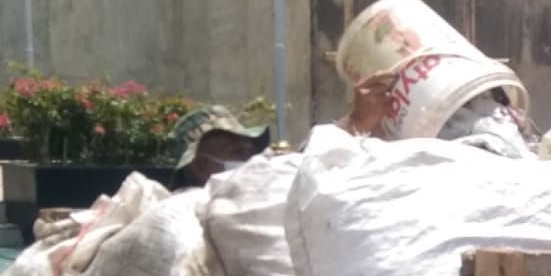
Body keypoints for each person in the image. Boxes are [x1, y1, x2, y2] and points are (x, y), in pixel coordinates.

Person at [165, 76, 395, 187]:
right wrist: (355, 121)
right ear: (202, 165)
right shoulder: (195, 212)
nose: (253, 160)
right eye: (238, 152)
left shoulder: (252, 199)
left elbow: (302, 169)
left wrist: (356, 123)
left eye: (252, 150)